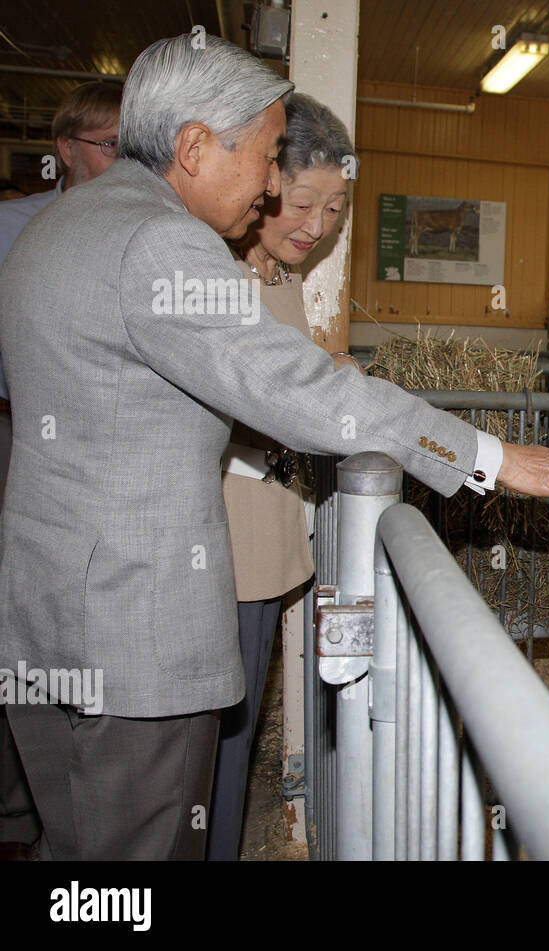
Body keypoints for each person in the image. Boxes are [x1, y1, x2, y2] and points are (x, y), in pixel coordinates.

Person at [0, 35, 549, 860]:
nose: (269, 185)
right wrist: (490, 457)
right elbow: (304, 395)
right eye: (263, 157)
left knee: (74, 848)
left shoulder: (59, 223)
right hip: (132, 632)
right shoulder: (161, 242)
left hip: (46, 613)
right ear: (193, 147)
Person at [206, 92, 356, 860]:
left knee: (228, 756)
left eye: (335, 208)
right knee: (201, 765)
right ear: (262, 184)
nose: (317, 226)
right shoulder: (214, 274)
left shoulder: (278, 275)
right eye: (303, 202)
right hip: (217, 552)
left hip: (263, 548)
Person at [0, 80, 122, 862]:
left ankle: (69, 815)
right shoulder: (13, 224)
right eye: (111, 145)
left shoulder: (139, 234)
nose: (122, 161)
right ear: (67, 149)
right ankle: (19, 812)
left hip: (106, 443)